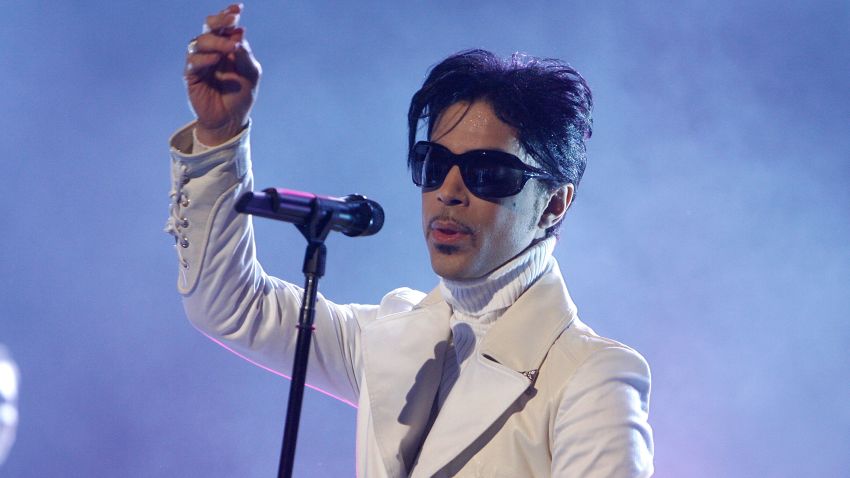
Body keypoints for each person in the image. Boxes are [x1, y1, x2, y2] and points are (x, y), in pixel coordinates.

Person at [166, 4, 653, 477]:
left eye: (488, 172)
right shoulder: (392, 335)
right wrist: (219, 135)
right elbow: (228, 305)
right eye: (435, 164)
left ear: (554, 204)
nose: (449, 191)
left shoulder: (591, 377)